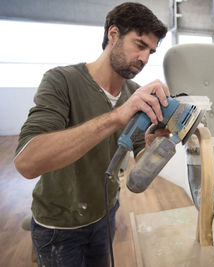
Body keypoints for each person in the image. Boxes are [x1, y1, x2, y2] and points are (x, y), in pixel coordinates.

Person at [14, 2, 169, 266]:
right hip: (59, 227)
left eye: (151, 52)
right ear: (113, 35)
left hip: (106, 216)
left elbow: (140, 160)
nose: (145, 58)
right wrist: (117, 117)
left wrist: (154, 144)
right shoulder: (61, 81)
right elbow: (27, 162)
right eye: (140, 45)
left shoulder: (134, 93)